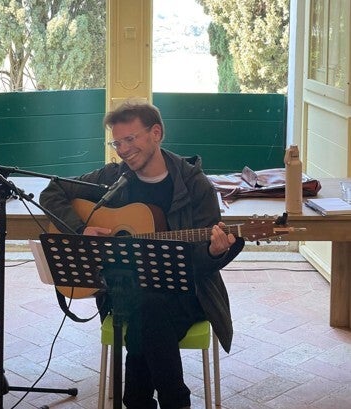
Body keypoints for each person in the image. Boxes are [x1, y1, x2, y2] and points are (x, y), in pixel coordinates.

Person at [40, 100, 244, 409]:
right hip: (122, 292)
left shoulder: (194, 185)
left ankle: (139, 401)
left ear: (156, 133)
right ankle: (173, 401)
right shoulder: (113, 178)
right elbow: (53, 191)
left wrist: (214, 252)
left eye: (130, 139)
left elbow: (201, 265)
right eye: (117, 143)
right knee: (147, 306)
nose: (123, 150)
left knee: (148, 308)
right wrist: (81, 229)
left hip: (187, 294)